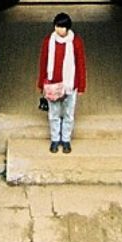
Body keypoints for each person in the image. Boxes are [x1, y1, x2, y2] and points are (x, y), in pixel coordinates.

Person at [38, 12, 86, 153]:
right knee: (53, 113)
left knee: (68, 114)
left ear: (67, 28)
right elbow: (43, 62)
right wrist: (41, 83)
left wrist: (81, 85)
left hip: (70, 85)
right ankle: (54, 139)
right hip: (52, 84)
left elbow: (81, 64)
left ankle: (65, 140)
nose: (59, 29)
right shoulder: (48, 41)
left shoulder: (76, 42)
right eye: (57, 26)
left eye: (62, 27)